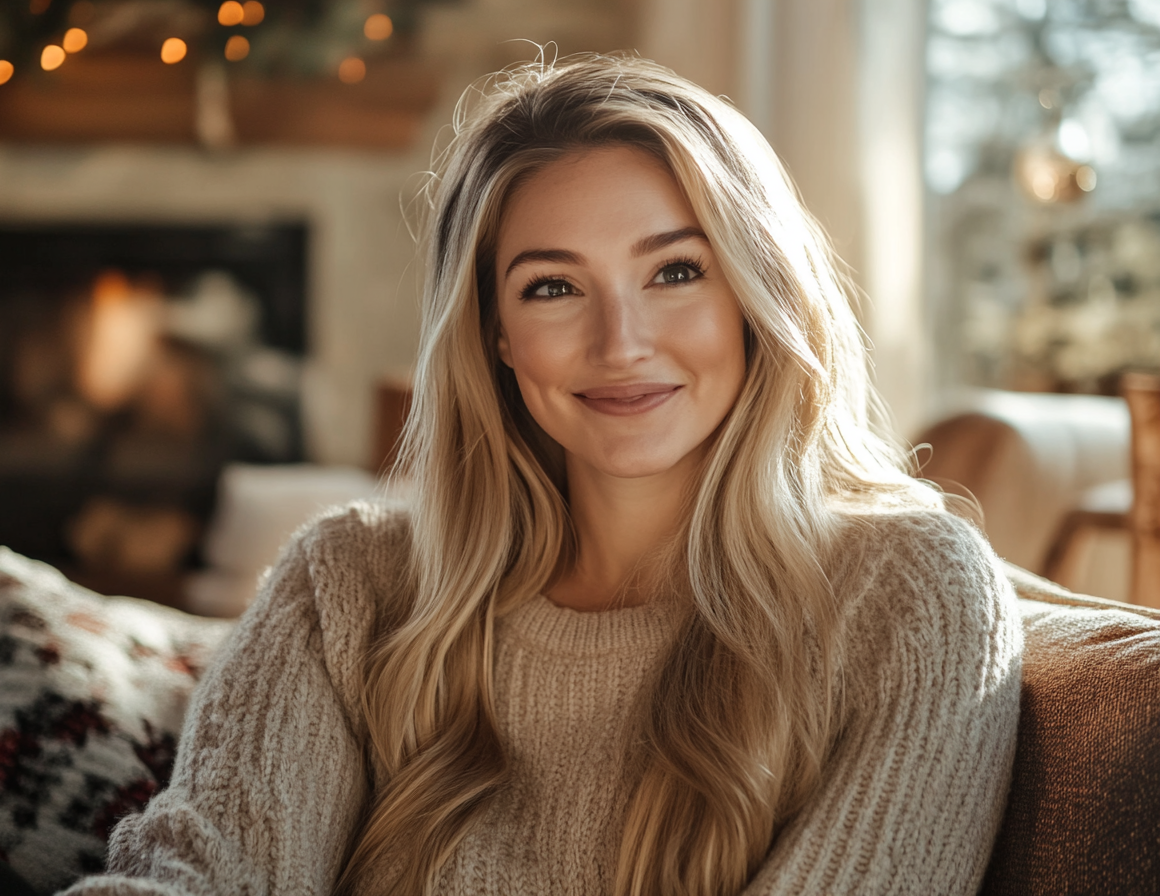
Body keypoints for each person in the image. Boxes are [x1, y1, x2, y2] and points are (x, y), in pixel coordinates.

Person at [58, 53, 1021, 896]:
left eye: (675, 271)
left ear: (756, 296)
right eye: (553, 288)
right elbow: (198, 873)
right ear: (498, 338)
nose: (622, 342)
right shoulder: (350, 584)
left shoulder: (911, 594)